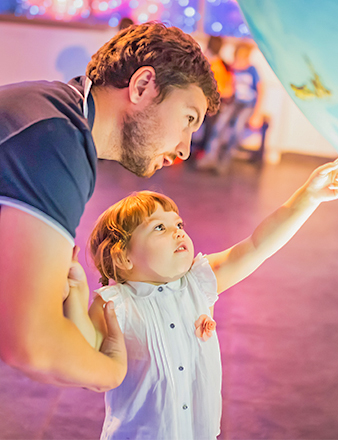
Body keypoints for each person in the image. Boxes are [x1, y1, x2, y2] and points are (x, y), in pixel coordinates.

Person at [0, 21, 220, 391]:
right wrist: (113, 372)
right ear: (142, 86)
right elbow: (32, 343)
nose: (185, 148)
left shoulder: (58, 117)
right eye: (187, 119)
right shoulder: (57, 138)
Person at [64, 157, 338, 439]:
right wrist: (76, 293)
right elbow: (85, 353)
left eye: (178, 224)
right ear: (124, 256)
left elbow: (256, 246)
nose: (177, 232)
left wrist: (308, 197)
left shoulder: (197, 283)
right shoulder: (115, 303)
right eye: (159, 228)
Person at [197, 41, 263, 174]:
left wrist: (257, 113)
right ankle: (210, 157)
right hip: (233, 102)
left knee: (237, 129)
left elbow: (261, 91)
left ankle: (224, 162)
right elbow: (227, 86)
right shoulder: (231, 68)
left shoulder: (252, 70)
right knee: (219, 126)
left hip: (247, 105)